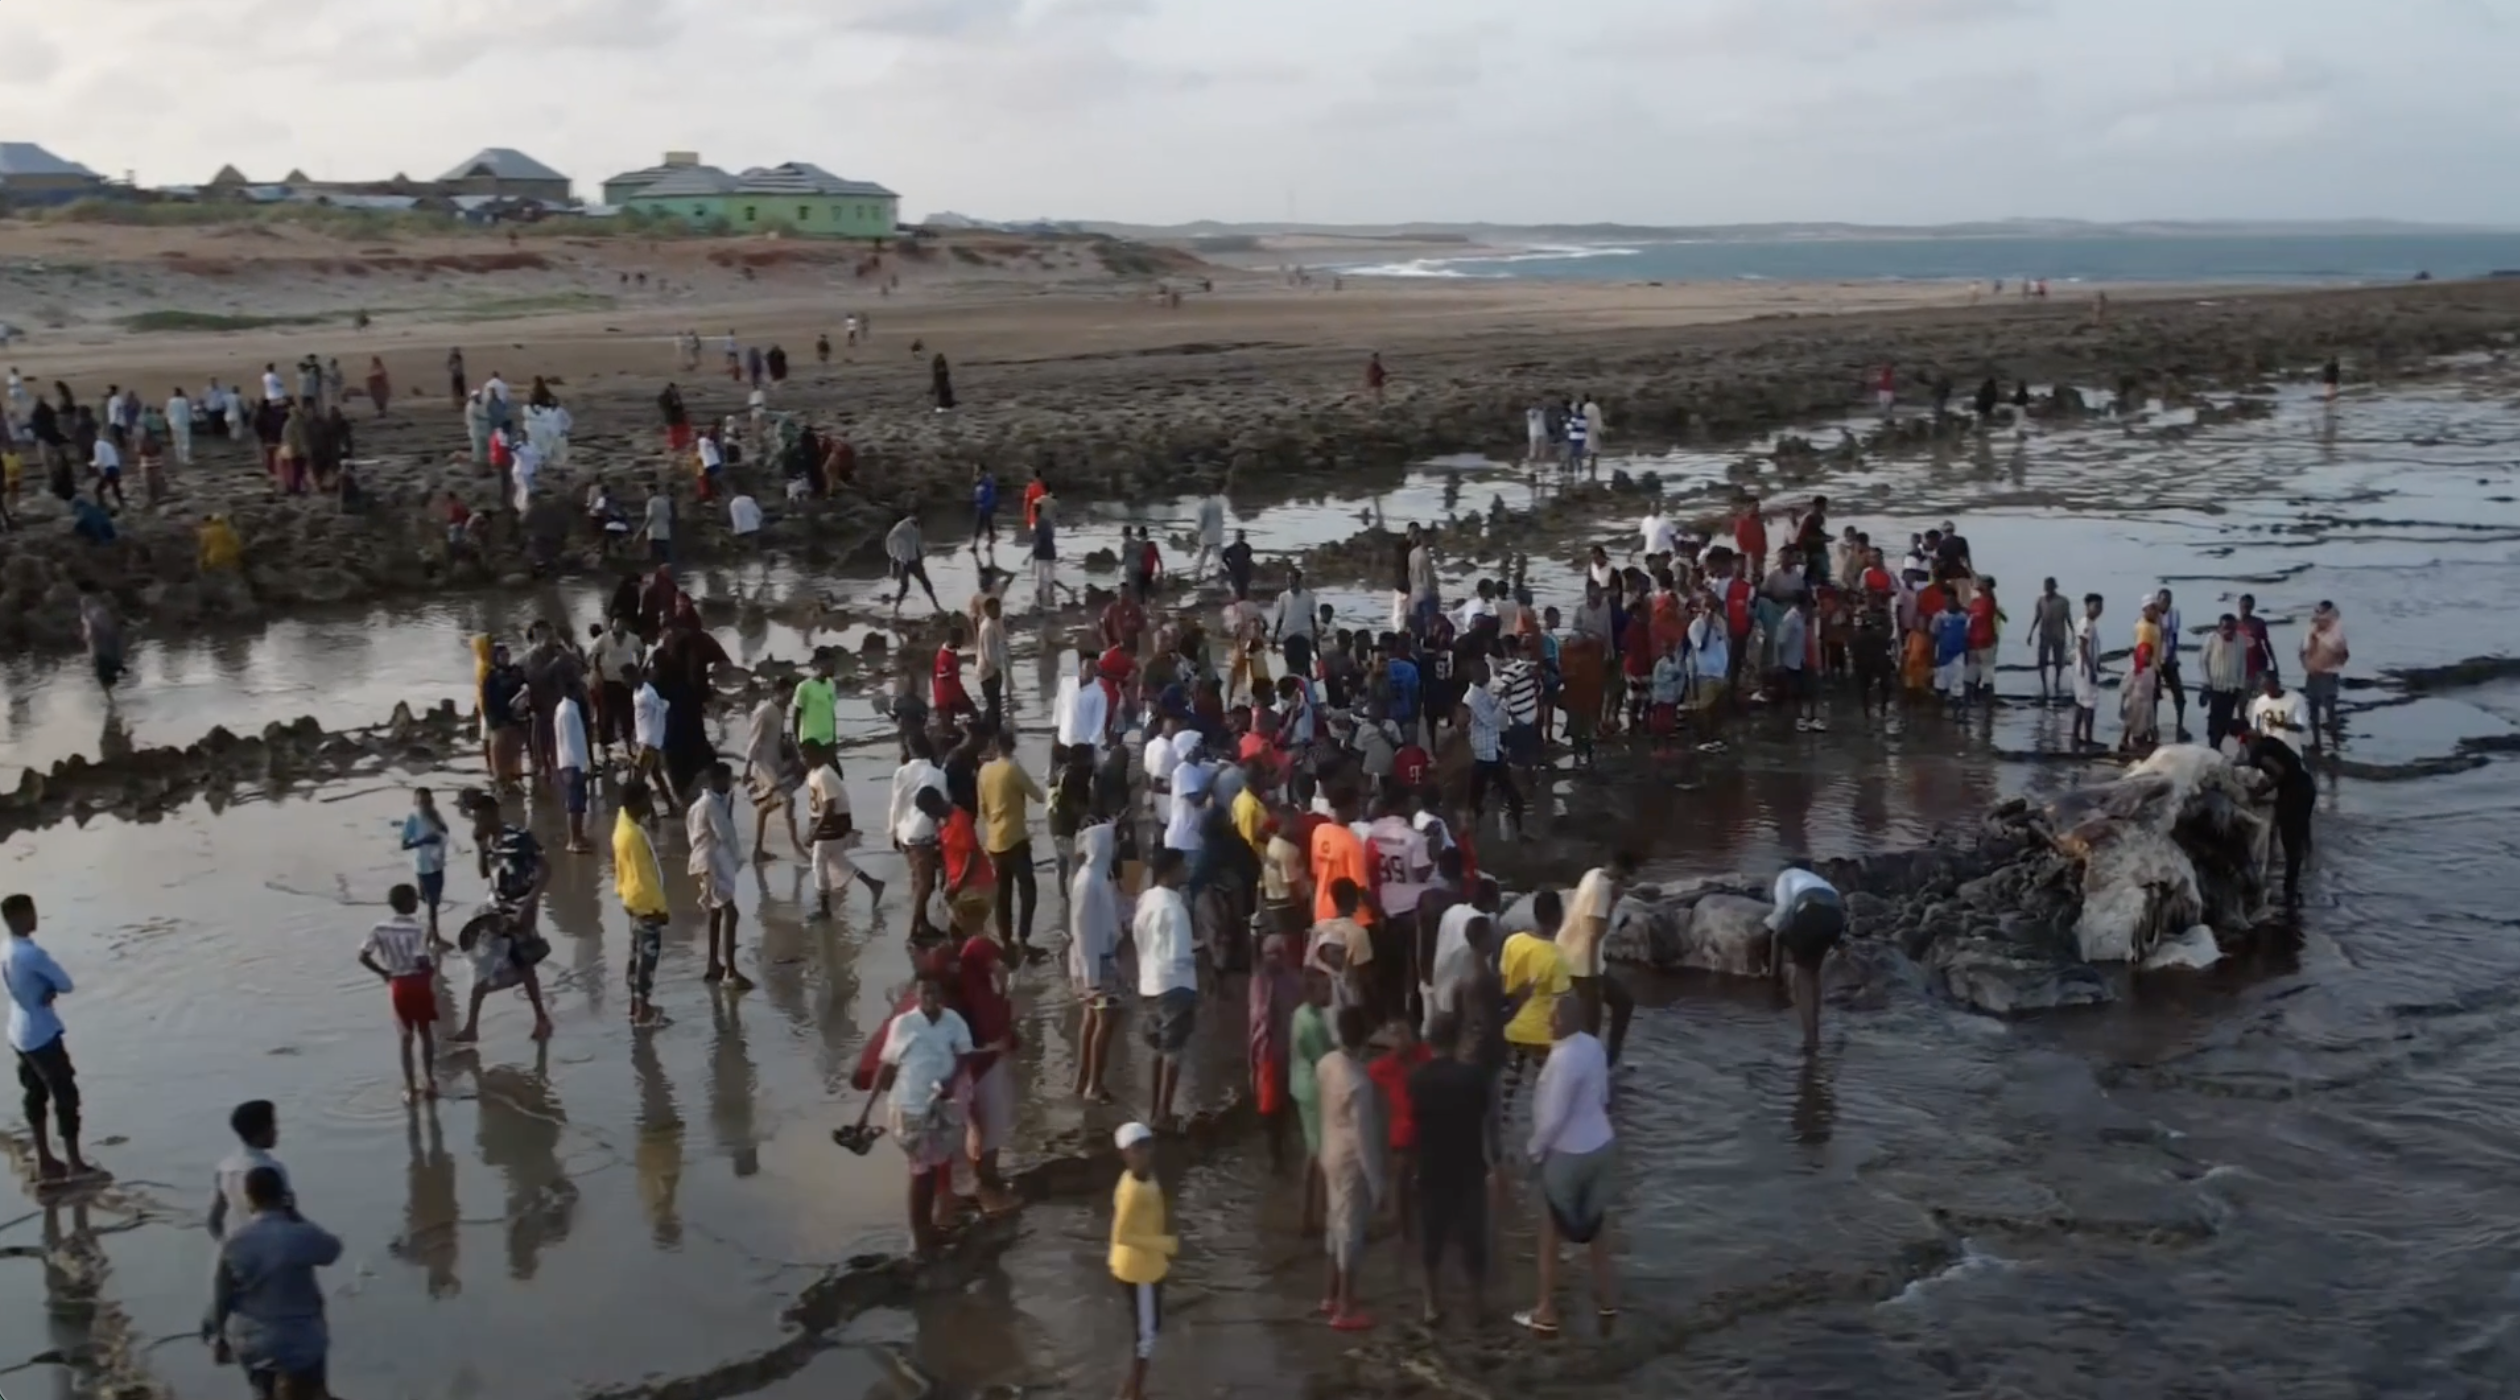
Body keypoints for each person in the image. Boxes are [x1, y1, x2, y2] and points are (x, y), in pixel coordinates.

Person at [1515, 995, 1618, 1339]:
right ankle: (1607, 1301)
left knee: (1550, 1230)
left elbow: (1553, 1117)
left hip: (1568, 1153)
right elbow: (1603, 1095)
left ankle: (1545, 1310)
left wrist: (1533, 1151)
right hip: (1601, 1145)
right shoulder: (1592, 1046)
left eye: (1552, 1016)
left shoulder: (1561, 1059)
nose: (1547, 1021)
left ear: (1564, 1021)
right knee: (1597, 1228)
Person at [865, 974, 984, 1257]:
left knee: (932, 1168)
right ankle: (919, 1236)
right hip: (910, 1107)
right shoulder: (904, 1024)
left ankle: (926, 1229)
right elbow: (887, 1065)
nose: (929, 998)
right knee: (920, 1170)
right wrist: (866, 1112)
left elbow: (965, 1055)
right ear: (917, 996)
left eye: (933, 992)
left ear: (941, 994)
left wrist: (951, 1082)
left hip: (940, 1104)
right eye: (924, 993)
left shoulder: (953, 1021)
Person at [204, 1165, 341, 1398]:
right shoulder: (301, 1235)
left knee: (263, 1392)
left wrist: (218, 1338)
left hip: (255, 1344)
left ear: (249, 1200)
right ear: (283, 1196)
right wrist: (296, 1215)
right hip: (302, 1342)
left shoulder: (234, 1243)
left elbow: (222, 1298)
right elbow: (333, 1250)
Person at [1408, 1011, 1492, 1326]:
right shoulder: (1474, 1077)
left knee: (1432, 1238)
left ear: (1430, 1041)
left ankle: (1431, 1304)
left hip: (1431, 1166)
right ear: (1457, 1039)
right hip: (1469, 1167)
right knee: (1473, 1238)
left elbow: (1415, 1120)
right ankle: (1477, 1304)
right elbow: (1483, 1115)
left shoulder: (1417, 1078)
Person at [5, 892, 94, 1181]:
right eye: (31, 912)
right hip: (42, 1033)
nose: (35, 917)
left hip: (18, 1031)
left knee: (35, 1094)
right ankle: (75, 1163)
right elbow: (65, 983)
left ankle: (45, 1159)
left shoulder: (7, 949)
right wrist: (49, 989)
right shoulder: (31, 954)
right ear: (21, 917)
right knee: (65, 1094)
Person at [452, 796, 554, 1043]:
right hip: (495, 909)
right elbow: (484, 873)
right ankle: (473, 1026)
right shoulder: (491, 842)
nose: (476, 823)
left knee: (522, 962)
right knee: (487, 962)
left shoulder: (518, 837)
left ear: (493, 814)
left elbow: (545, 870)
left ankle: (540, 1018)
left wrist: (529, 907)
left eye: (480, 818)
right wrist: (480, 847)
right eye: (474, 819)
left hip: (519, 908)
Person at [1109, 1121, 1176, 1400]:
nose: (1144, 1153)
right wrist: (1163, 1243)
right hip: (1139, 1270)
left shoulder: (1144, 1178)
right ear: (1125, 1153)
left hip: (1149, 1264)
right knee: (1146, 1335)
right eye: (1137, 1149)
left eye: (1147, 1146)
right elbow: (1122, 1234)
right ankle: (1133, 1393)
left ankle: (1131, 1388)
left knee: (1148, 1327)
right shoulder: (1132, 1189)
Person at [1135, 849, 1197, 1131]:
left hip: (1149, 982)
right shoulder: (1175, 908)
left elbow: (1137, 937)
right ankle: (1165, 1113)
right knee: (1174, 1051)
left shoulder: (1146, 901)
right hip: (1175, 983)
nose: (1186, 871)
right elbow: (1181, 953)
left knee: (1158, 1049)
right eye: (1182, 867)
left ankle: (1154, 1111)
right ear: (1169, 872)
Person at [357, 886, 439, 1100]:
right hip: (419, 983)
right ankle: (429, 1081)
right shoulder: (421, 928)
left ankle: (410, 1088)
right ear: (409, 902)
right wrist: (432, 969)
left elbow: (363, 955)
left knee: (405, 1037)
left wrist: (384, 972)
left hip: (398, 984)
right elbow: (422, 960)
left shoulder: (379, 927)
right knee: (425, 1033)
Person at [1069, 822, 1126, 1103]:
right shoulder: (1089, 882)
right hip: (1096, 964)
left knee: (1092, 1018)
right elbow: (1083, 930)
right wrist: (1089, 978)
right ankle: (1094, 1084)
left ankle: (1084, 1080)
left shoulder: (1097, 877)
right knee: (1105, 1019)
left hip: (1097, 960)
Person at [1560, 855, 1636, 1064]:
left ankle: (1611, 1059)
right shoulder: (1602, 891)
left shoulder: (1593, 873)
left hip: (1578, 956)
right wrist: (1595, 981)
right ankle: (1589, 1068)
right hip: (1582, 963)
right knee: (1591, 1027)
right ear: (1623, 875)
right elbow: (1594, 935)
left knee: (1624, 1002)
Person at [978, 729, 1046, 955]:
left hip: (994, 841)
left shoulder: (984, 771)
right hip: (1015, 838)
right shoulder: (1013, 769)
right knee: (1028, 889)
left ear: (995, 746)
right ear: (1013, 746)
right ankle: (1023, 937)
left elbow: (983, 808)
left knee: (1002, 894)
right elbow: (1038, 795)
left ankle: (1006, 941)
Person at [1767, 860, 1844, 1052]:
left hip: (1811, 911)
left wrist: (1773, 976)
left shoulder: (1786, 876)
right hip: (1835, 916)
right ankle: (1814, 1033)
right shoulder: (1818, 881)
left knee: (1803, 976)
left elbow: (1782, 915)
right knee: (1813, 972)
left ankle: (1810, 1040)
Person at [614, 778, 673, 1027]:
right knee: (646, 962)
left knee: (636, 957)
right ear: (636, 802)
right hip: (645, 906)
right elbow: (644, 878)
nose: (651, 803)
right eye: (647, 799)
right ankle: (643, 1012)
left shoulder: (623, 825)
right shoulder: (634, 836)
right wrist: (659, 909)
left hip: (632, 902)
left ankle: (635, 1005)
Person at [804, 746, 885, 920]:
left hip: (832, 824)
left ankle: (825, 909)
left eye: (808, 755)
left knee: (818, 862)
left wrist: (814, 833)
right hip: (826, 823)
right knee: (838, 861)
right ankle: (873, 884)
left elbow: (830, 807)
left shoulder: (824, 774)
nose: (805, 759)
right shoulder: (814, 772)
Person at [688, 762, 749, 987]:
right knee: (730, 913)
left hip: (706, 862)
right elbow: (725, 833)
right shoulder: (711, 805)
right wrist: (738, 858)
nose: (729, 784)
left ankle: (714, 963)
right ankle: (730, 971)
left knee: (716, 912)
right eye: (726, 780)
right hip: (712, 863)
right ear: (716, 781)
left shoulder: (704, 804)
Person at [208, 1099, 290, 1241]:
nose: (277, 1131)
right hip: (268, 1246)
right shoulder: (272, 1170)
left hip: (238, 1245)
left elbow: (214, 1221)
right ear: (262, 1131)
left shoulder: (225, 1168)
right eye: (273, 1125)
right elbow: (287, 1216)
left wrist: (226, 1246)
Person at [400, 788, 451, 942]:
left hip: (437, 861)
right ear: (415, 802)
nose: (426, 804)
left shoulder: (435, 814)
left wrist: (439, 833)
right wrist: (424, 841)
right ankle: (433, 934)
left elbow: (445, 830)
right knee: (432, 901)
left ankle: (430, 932)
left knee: (435, 898)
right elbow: (404, 845)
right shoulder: (413, 818)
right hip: (423, 864)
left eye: (428, 801)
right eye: (422, 801)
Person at [2300, 601, 2349, 750]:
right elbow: (2303, 651)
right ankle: (2317, 743)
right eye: (2318, 612)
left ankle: (2335, 744)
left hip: (2329, 675)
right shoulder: (2311, 630)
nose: (2318, 615)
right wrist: (2307, 665)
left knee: (2330, 711)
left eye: (2321, 613)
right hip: (2313, 675)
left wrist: (2329, 660)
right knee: (2312, 710)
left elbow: (2344, 656)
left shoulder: (2336, 634)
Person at [553, 685, 594, 854]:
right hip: (572, 763)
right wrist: (581, 766)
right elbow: (571, 742)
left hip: (575, 761)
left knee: (579, 802)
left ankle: (579, 836)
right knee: (574, 804)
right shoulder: (567, 711)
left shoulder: (569, 708)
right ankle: (573, 839)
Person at [2247, 670, 2309, 757]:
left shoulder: (2296, 699)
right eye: (2264, 687)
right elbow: (2255, 729)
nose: (2267, 690)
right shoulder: (2260, 702)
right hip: (2268, 750)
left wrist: (2283, 725)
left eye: (2269, 686)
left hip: (2290, 750)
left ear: (2277, 684)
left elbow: (2302, 727)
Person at [2071, 593, 2104, 749]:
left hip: (2083, 667)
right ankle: (2088, 739)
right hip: (2084, 669)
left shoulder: (2089, 623)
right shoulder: (2086, 624)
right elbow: (2083, 648)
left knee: (2081, 702)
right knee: (2090, 704)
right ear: (2088, 606)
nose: (2099, 610)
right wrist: (2091, 669)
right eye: (2096, 606)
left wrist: (2096, 664)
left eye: (2100, 607)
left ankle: (2076, 735)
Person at [2032, 577, 2073, 703]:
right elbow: (2037, 617)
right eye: (2046, 586)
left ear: (2054, 587)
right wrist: (2030, 632)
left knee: (2058, 660)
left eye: (2050, 586)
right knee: (2042, 660)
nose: (2047, 588)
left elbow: (2067, 617)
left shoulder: (2063, 601)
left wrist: (2073, 632)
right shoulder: (2040, 601)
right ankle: (2044, 685)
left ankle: (2057, 682)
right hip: (2044, 634)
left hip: (2058, 634)